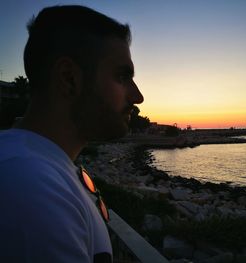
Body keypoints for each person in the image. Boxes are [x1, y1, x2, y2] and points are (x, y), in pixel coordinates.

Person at [0, 5, 143, 263]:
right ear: (69, 78)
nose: (138, 97)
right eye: (123, 76)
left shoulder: (45, 168)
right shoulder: (31, 188)